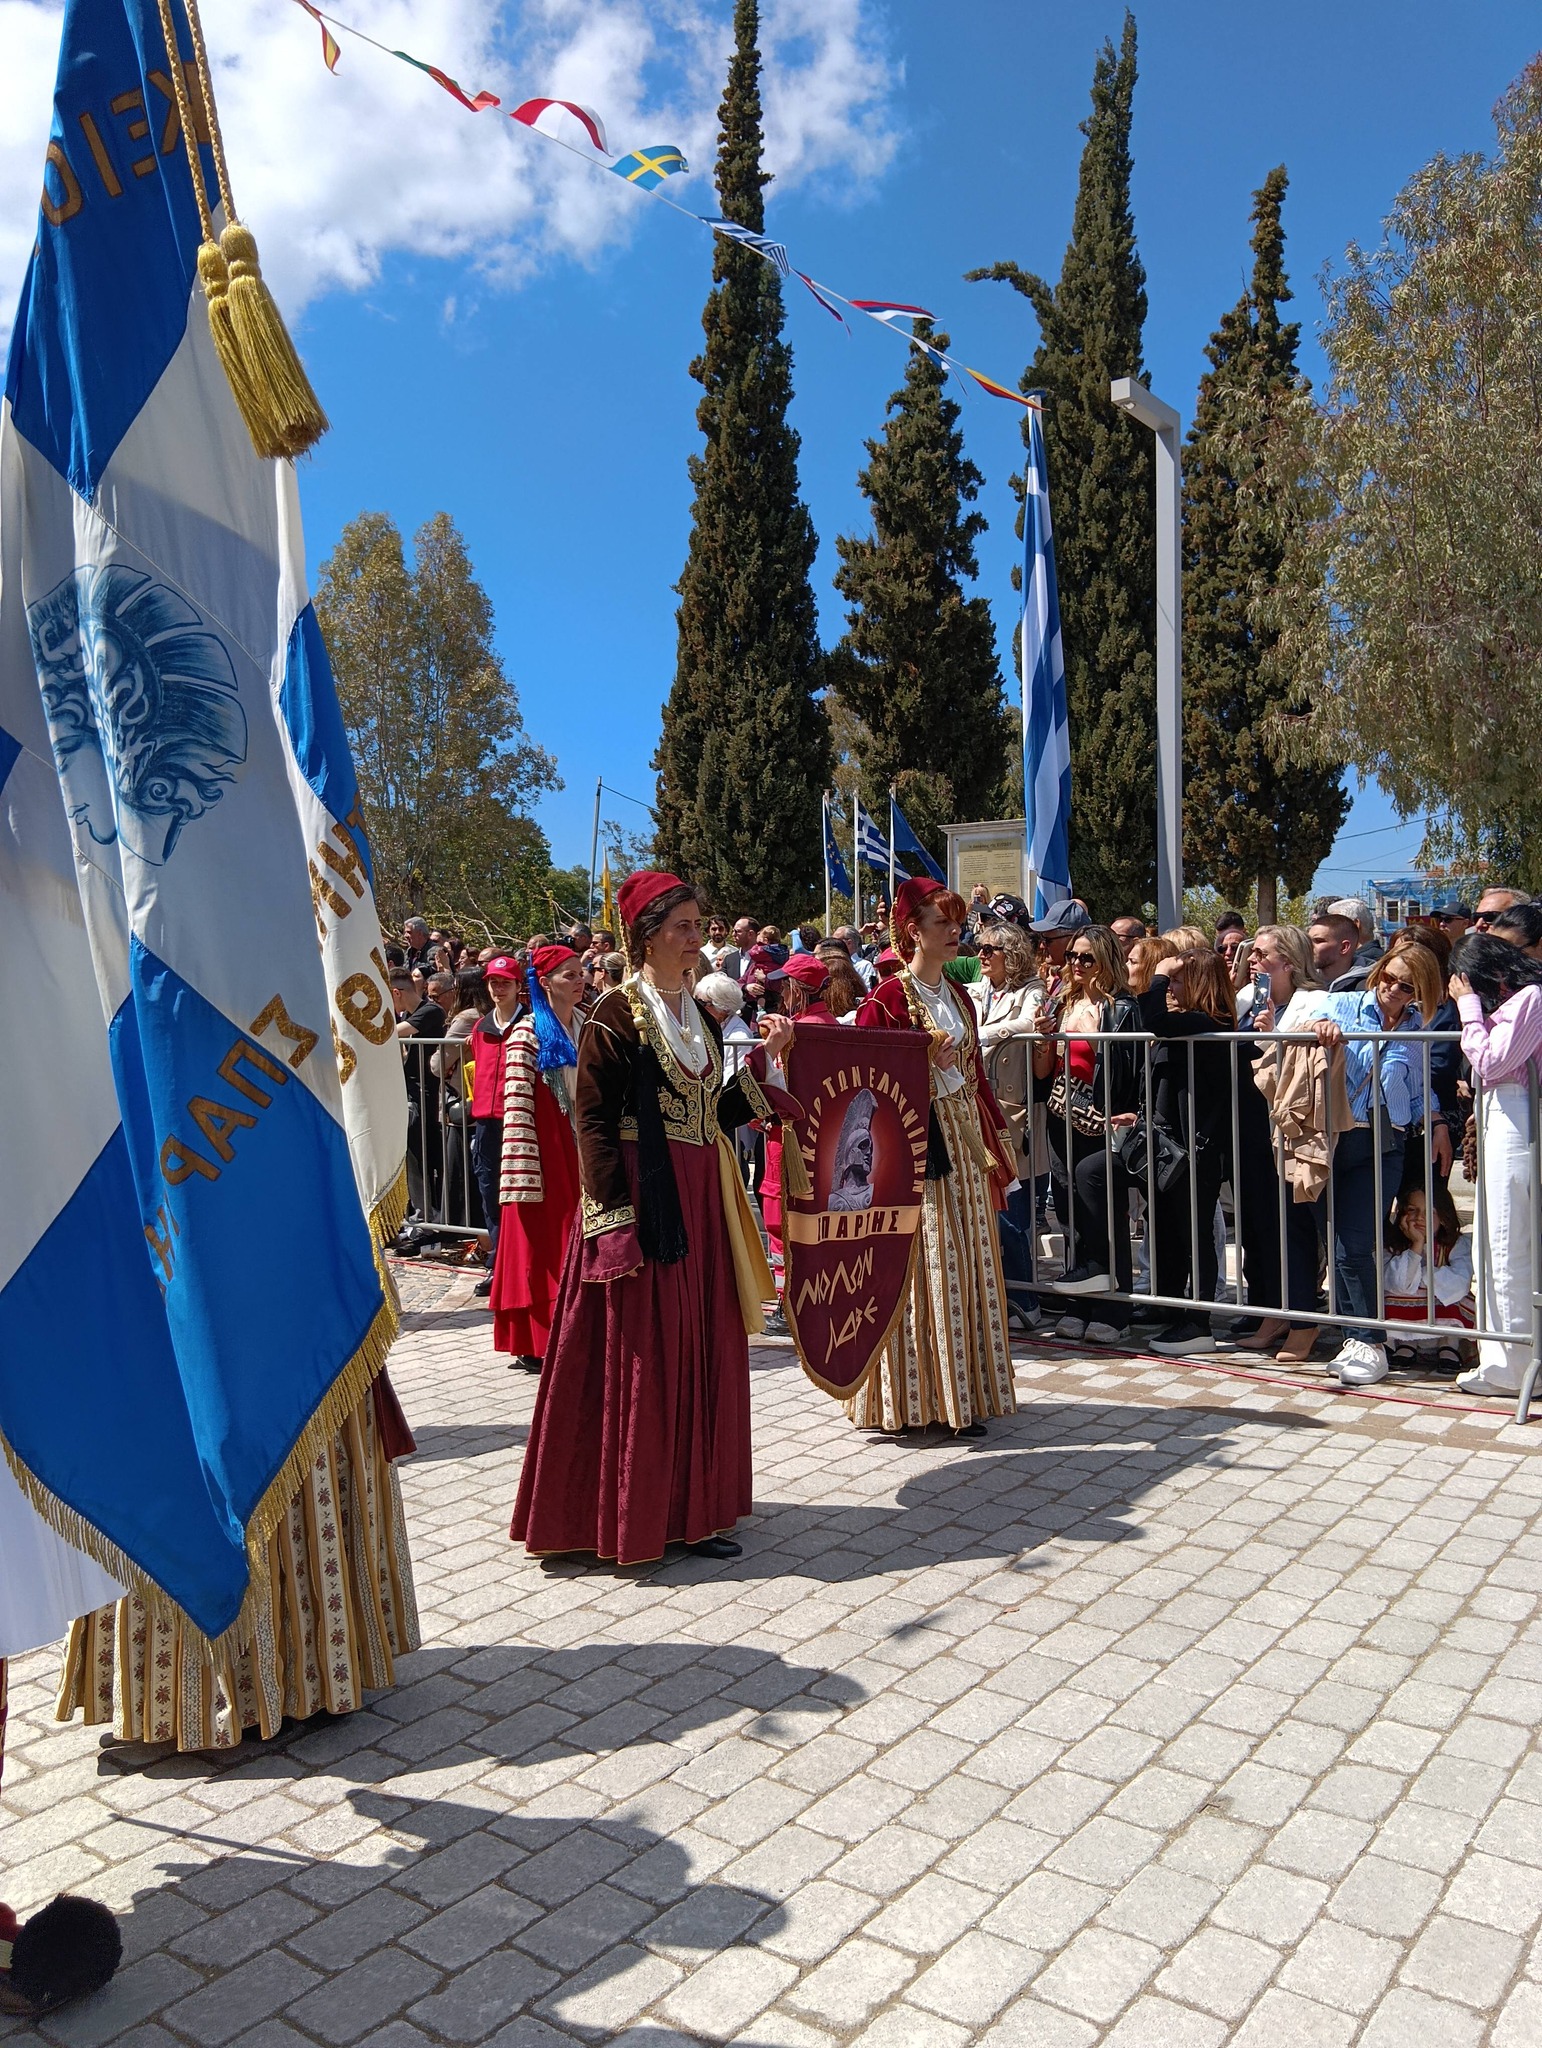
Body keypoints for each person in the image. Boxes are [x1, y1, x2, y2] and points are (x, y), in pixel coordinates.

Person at [510, 873, 793, 1563]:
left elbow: (712, 1113)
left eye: (699, 925)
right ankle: (623, 1514)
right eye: (683, 927)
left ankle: (696, 1507)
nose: (697, 937)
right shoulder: (615, 1012)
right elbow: (594, 1122)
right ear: (647, 935)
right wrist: (612, 1222)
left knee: (698, 1345)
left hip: (699, 1195)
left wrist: (767, 1064)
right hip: (643, 1196)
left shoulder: (697, 1015)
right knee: (641, 1351)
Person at [850, 878, 1018, 1436]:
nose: (954, 932)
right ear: (912, 931)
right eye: (942, 922)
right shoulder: (887, 999)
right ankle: (909, 1400)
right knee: (922, 1263)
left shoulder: (959, 996)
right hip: (915, 1144)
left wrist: (996, 1142)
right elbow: (867, 1084)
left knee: (967, 1259)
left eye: (957, 922)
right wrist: (921, 1067)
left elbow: (976, 1078)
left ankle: (963, 1396)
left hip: (962, 1139)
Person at [1296, 942, 1445, 1386]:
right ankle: (1354, 1339)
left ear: (1421, 992)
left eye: (1406, 986)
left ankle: (1370, 1343)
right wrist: (1314, 1026)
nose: (1392, 989)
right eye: (1388, 978)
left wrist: (1437, 1121)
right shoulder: (1341, 1003)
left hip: (1383, 1143)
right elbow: (1290, 1032)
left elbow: (1418, 1090)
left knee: (1355, 1245)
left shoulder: (1417, 1028)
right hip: (1326, 1139)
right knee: (1336, 1242)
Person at [1030, 925, 1142, 1341]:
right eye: (1072, 956)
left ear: (1105, 961)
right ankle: (1079, 1300)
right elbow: (1045, 1070)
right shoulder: (1063, 1002)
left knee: (1104, 1211)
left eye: (1086, 958)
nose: (1075, 964)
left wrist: (1095, 1038)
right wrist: (1044, 1040)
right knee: (1068, 1209)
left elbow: (1128, 1070)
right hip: (1061, 1114)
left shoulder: (1121, 1008)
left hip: (1103, 1118)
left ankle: (1114, 1308)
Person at [1449, 934, 1542, 1397]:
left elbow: (1492, 1060)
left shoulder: (1530, 998)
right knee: (1492, 1244)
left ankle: (1516, 1367)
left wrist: (1468, 1007)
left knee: (1508, 1245)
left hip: (1516, 1116)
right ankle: (1502, 1360)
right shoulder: (1514, 1002)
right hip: (1499, 1114)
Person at [1137, 950, 1239, 1355]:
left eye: (1178, 981)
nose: (1170, 988)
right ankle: (1172, 1305)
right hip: (1172, 1144)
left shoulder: (1211, 1022)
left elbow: (1155, 1020)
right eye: (1170, 980)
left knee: (1195, 1233)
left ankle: (1198, 1322)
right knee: (1171, 1228)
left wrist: (1159, 974)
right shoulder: (1191, 1022)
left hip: (1197, 1149)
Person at [491, 945, 586, 1373]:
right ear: (544, 983)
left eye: (581, 973)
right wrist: (523, 1168)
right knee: (544, 1242)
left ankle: (577, 1332)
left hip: (581, 1144)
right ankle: (538, 1339)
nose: (580, 981)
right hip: (543, 1150)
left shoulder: (584, 1025)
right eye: (569, 975)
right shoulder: (526, 1034)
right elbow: (516, 1107)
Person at [1238, 924, 1327, 1360]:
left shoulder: (1315, 1001)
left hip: (1293, 1130)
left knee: (1296, 1227)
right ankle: (1276, 1311)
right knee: (1264, 1226)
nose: (1251, 960)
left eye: (1261, 954)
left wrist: (1272, 1032)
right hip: (1254, 1125)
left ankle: (1304, 1322)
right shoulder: (1250, 998)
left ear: (1288, 963)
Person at [757, 955, 840, 1334]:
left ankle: (788, 1304)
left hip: (789, 1139)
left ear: (797, 990)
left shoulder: (796, 1034)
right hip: (824, 1143)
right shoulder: (832, 1026)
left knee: (781, 1221)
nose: (779, 994)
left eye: (783, 986)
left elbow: (775, 1090)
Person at [970, 923, 1046, 1333]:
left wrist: (982, 1035)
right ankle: (995, 1295)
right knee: (982, 1210)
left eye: (990, 949)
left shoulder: (1031, 989)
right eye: (979, 948)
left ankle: (1024, 1299)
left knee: (1013, 1212)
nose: (981, 955)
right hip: (976, 1110)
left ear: (1011, 953)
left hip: (1014, 1113)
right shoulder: (975, 990)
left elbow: (1032, 1020)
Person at [1383, 1184, 1474, 1370]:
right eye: (1412, 1210)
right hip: (1405, 1321)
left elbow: (1459, 1282)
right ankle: (1406, 1343)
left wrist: (1422, 1277)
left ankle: (1448, 1344)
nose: (1419, 1217)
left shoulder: (1456, 1244)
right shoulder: (1393, 1246)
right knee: (1393, 1294)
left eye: (1429, 1211)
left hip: (1442, 1321)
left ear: (1444, 1217)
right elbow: (1399, 1283)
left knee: (1453, 1297)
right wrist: (1417, 1244)